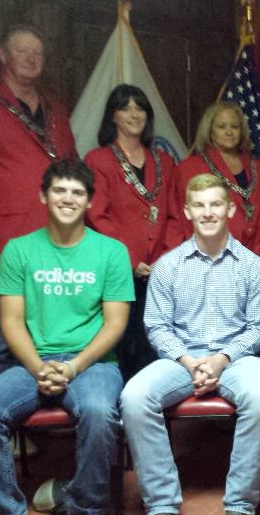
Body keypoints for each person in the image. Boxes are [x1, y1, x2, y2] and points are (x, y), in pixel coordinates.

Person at [0, 159, 133, 515]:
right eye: (59, 190)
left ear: (89, 202)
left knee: (99, 411)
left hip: (94, 363)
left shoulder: (112, 251)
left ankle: (83, 505)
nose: (67, 199)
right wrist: (38, 366)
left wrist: (72, 368)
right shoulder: (19, 250)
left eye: (77, 192)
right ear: (43, 196)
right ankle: (5, 509)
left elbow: (115, 326)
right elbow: (11, 322)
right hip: (32, 362)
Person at [120, 173, 260, 515]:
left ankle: (240, 503)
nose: (208, 213)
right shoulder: (167, 266)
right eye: (199, 205)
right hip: (181, 358)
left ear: (231, 210)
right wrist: (189, 362)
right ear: (187, 211)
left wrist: (221, 359)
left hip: (237, 357)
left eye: (216, 204)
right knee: (134, 397)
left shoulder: (253, 266)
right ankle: (161, 504)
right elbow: (158, 327)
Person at [0, 23, 78, 382]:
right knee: (0, 336)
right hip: (6, 242)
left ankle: (42, 423)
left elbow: (71, 166)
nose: (30, 58)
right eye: (22, 51)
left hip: (58, 239)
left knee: (49, 333)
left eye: (37, 53)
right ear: (3, 56)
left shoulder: (54, 107)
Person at [84, 84, 175, 380]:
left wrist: (166, 260)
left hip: (159, 270)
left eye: (140, 107)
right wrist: (130, 259)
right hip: (119, 269)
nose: (134, 114)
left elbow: (176, 215)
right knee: (124, 340)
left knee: (157, 341)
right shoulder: (98, 160)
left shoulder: (165, 161)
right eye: (126, 107)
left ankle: (153, 406)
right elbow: (97, 215)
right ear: (113, 116)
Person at [166, 101, 260, 265]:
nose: (229, 132)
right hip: (209, 263)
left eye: (235, 126)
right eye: (222, 126)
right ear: (210, 130)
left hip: (259, 262)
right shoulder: (189, 168)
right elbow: (181, 221)